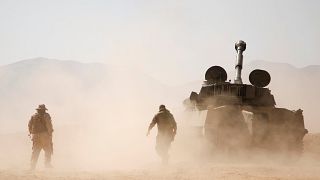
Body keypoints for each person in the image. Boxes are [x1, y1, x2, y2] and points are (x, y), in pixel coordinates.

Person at [28, 104, 54, 170]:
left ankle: (32, 166)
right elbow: (49, 125)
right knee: (48, 150)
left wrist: (31, 133)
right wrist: (50, 134)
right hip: (44, 135)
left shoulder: (33, 116)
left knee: (35, 151)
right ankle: (47, 164)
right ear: (44, 110)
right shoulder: (46, 115)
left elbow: (29, 125)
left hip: (35, 136)